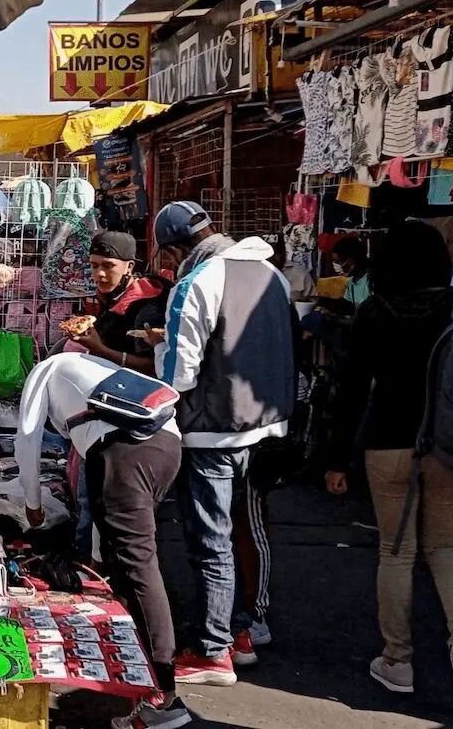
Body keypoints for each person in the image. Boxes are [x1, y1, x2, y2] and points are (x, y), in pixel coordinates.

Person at [324, 221, 453, 708]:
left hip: (389, 445)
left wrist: (337, 459)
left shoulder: (376, 311)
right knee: (446, 548)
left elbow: (350, 391)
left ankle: (397, 661)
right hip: (452, 446)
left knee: (396, 554)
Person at [146, 201, 294, 686]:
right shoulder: (274, 276)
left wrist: (158, 345)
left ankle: (213, 652)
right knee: (247, 530)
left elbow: (179, 375)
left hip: (213, 430)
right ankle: (244, 629)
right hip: (268, 426)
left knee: (211, 540)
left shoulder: (198, 282)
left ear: (173, 250)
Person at [15, 353, 190, 729]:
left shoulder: (45, 371)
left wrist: (33, 507)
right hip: (167, 445)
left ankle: (165, 696)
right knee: (126, 560)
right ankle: (143, 681)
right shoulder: (96, 367)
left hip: (125, 454)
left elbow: (26, 438)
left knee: (137, 563)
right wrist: (97, 553)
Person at [64, 230, 167, 376]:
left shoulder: (147, 306)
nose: (99, 273)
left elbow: (153, 367)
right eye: (94, 266)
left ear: (129, 267)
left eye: (108, 266)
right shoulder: (111, 296)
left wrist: (100, 350)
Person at [331, 235, 371, 307]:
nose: (336, 266)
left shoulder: (370, 282)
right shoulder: (351, 282)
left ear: (351, 260)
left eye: (339, 262)